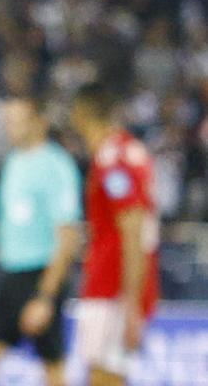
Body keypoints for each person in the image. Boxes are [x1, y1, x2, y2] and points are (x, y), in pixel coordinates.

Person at [0, 95, 82, 386]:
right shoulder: (13, 163)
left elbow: (68, 237)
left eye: (17, 121)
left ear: (39, 123)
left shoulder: (56, 165)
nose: (10, 128)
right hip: (11, 276)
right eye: (8, 121)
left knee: (54, 371)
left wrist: (45, 297)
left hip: (41, 274)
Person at [68, 83, 160, 386]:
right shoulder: (130, 152)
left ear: (80, 115)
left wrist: (131, 302)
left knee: (104, 378)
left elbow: (133, 231)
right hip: (118, 286)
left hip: (112, 288)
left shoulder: (112, 160)